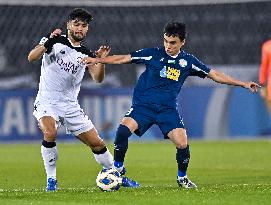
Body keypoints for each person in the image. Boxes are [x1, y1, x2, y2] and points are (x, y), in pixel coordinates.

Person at [82, 21, 260, 189]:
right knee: (122, 131)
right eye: (166, 41)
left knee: (182, 143)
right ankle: (118, 170)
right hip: (143, 106)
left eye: (173, 42)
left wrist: (242, 83)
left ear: (182, 42)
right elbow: (124, 58)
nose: (168, 46)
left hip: (167, 110)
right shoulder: (153, 54)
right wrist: (99, 60)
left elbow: (215, 75)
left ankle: (182, 178)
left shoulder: (188, 62)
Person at [27, 8, 136, 191]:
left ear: (87, 29)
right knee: (50, 132)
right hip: (47, 101)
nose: (80, 28)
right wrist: (48, 40)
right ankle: (51, 180)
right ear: (68, 25)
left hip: (70, 106)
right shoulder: (55, 42)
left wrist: (100, 60)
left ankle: (115, 175)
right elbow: (32, 57)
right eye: (76, 24)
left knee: (97, 144)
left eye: (84, 26)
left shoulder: (86, 54)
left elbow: (98, 79)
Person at [259, 39, 271, 116]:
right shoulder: (267, 46)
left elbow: (264, 67)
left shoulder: (267, 46)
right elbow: (264, 67)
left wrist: (263, 86)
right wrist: (263, 86)